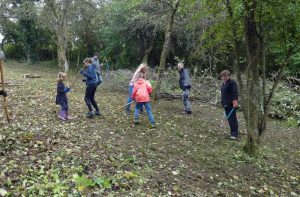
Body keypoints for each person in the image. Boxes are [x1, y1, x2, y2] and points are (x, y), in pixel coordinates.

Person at [220, 70, 239, 140]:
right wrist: (222, 102)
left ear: (229, 76)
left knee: (232, 119)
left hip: (231, 104)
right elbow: (223, 94)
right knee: (229, 119)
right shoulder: (223, 84)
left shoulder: (232, 82)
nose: (224, 77)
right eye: (223, 76)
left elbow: (235, 92)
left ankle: (235, 134)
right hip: (226, 104)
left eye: (226, 76)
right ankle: (232, 133)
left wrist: (235, 101)